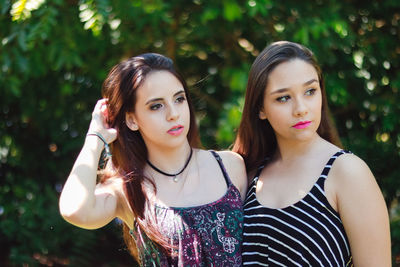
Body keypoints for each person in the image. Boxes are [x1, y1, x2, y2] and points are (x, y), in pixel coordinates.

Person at [59, 53, 247, 266]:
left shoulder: (231, 167)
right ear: (131, 120)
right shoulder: (127, 188)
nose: (173, 114)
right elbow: (74, 210)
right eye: (156, 106)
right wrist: (96, 137)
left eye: (179, 99)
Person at [233, 41, 391, 266]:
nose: (301, 109)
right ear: (260, 108)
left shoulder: (347, 172)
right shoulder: (249, 175)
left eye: (310, 91)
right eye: (283, 98)